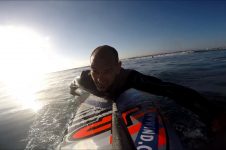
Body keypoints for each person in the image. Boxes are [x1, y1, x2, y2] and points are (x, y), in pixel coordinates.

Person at [70, 45, 226, 137]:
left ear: (118, 67)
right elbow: (73, 84)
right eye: (95, 71)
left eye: (107, 71)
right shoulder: (85, 80)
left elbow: (172, 90)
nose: (99, 78)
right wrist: (75, 94)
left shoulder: (131, 79)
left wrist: (214, 114)